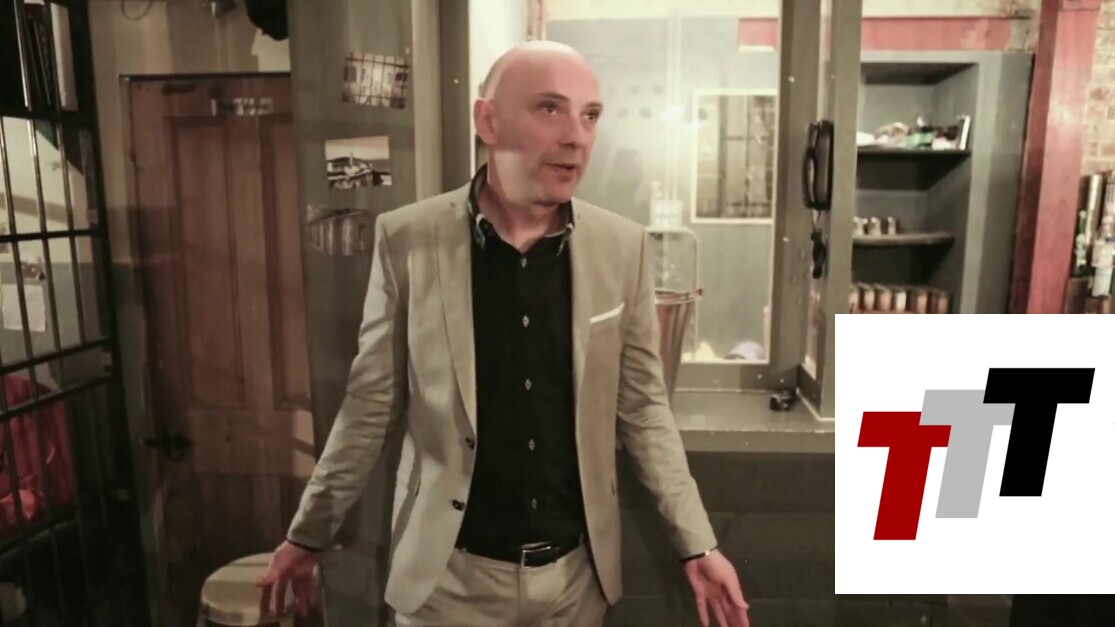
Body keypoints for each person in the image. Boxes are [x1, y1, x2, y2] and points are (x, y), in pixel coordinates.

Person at [257, 39, 750, 627]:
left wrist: (698, 544)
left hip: (575, 586)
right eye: (551, 108)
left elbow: (643, 410)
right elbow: (370, 405)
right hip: (447, 586)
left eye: (590, 115)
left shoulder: (623, 248)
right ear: (487, 121)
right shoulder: (407, 240)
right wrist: (309, 532)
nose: (577, 136)